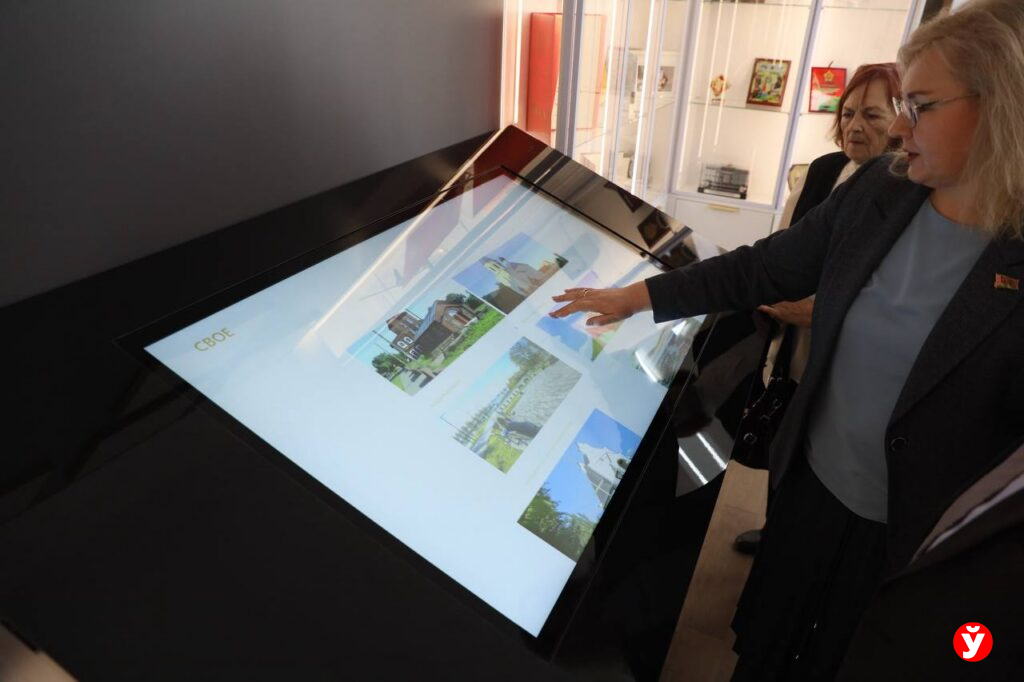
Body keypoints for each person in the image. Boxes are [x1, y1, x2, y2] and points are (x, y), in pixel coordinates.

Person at [550, 0, 1024, 677]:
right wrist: (641, 296)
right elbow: (765, 268)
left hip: (911, 535)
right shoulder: (881, 191)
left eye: (920, 107)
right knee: (768, 646)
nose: (897, 127)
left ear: (1000, 109)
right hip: (811, 490)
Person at [734, 62, 903, 556]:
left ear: (899, 120)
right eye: (848, 114)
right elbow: (780, 249)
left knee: (823, 452)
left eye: (872, 115)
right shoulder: (823, 171)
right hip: (794, 343)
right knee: (784, 431)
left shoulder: (908, 191)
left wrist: (818, 310)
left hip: (851, 356)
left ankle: (800, 547)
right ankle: (775, 532)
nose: (855, 126)